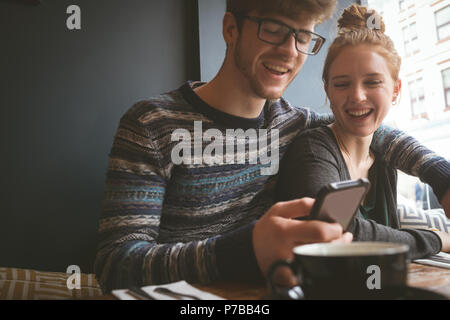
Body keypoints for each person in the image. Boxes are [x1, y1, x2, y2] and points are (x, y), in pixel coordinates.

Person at [94, 0, 450, 292]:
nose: (289, 52)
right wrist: (242, 250)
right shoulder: (152, 123)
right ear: (230, 28)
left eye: (303, 37)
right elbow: (116, 264)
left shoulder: (294, 122)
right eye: (274, 31)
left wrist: (439, 174)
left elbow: (367, 125)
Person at [276, 4, 450, 258]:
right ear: (328, 90)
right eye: (342, 84)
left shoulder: (384, 156)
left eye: (372, 82)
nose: (357, 96)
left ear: (396, 89)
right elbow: (341, 235)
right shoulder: (314, 149)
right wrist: (438, 238)